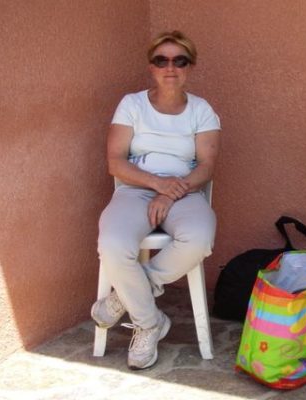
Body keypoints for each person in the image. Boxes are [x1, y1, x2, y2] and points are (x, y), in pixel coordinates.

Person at [91, 31, 220, 370]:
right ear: (151, 66)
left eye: (180, 60)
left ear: (189, 66)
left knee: (200, 238)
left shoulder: (202, 110)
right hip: (136, 189)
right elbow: (115, 161)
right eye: (162, 60)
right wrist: (157, 185)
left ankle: (126, 296)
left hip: (185, 191)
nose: (170, 67)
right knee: (114, 243)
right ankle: (150, 323)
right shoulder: (131, 105)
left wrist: (172, 190)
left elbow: (206, 167)